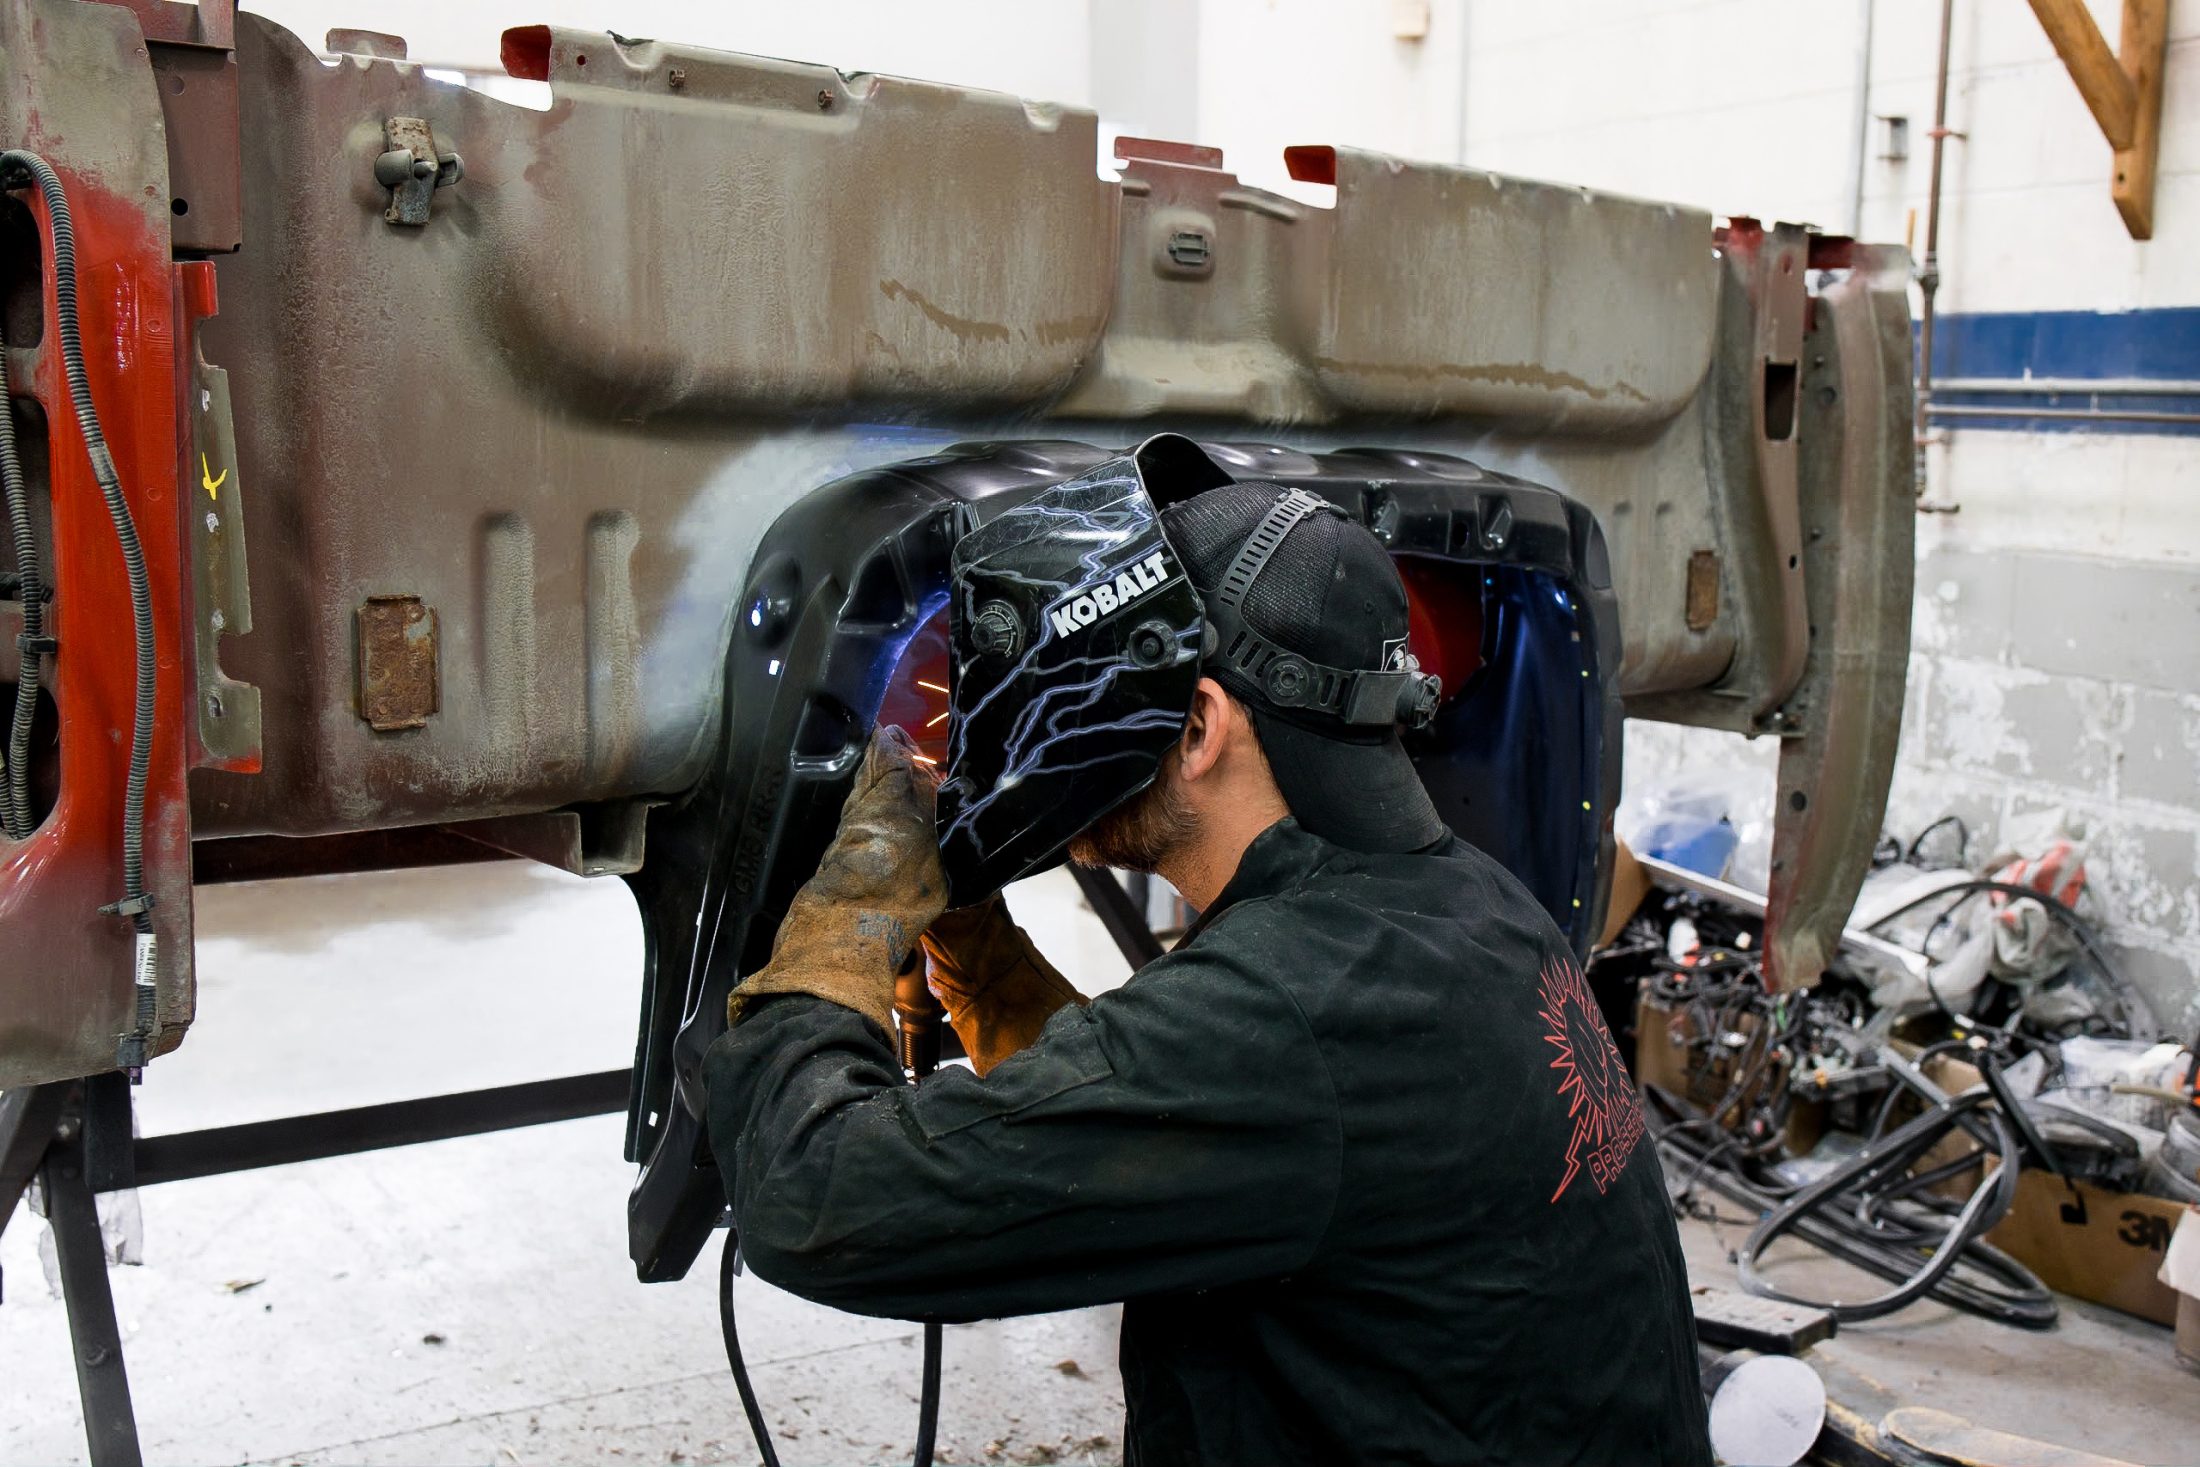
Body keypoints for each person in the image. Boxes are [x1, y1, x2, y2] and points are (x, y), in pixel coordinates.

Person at [705, 442, 1710, 1466]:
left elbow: (809, 1195)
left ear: (1196, 726)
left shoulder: (1288, 1011)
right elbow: (1171, 1117)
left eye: (1104, 696)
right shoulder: (1470, 904)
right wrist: (984, 963)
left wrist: (851, 914)